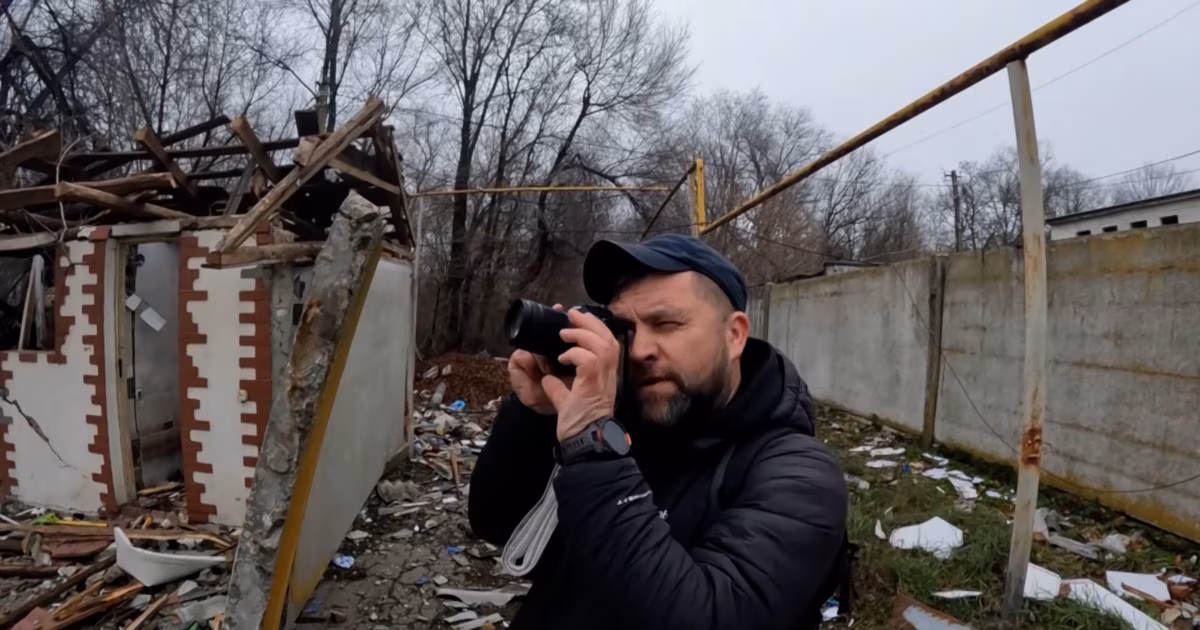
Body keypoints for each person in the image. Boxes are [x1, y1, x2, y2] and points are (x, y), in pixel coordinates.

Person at [468, 234, 849, 630]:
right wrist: (537, 417)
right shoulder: (623, 427)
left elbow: (709, 617)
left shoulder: (801, 476)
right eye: (626, 330)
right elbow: (496, 522)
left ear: (734, 335)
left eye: (665, 324)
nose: (638, 351)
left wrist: (594, 444)